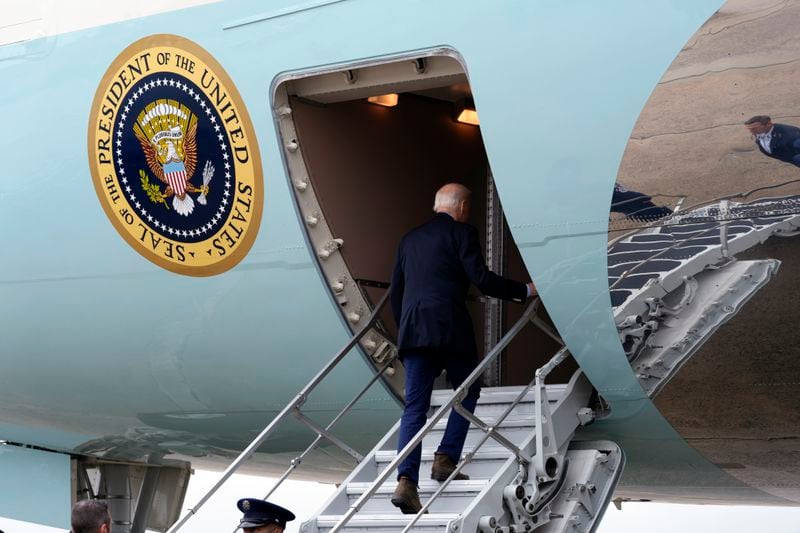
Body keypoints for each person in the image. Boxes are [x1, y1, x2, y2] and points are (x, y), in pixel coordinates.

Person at [389, 183, 535, 514]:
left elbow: (397, 292)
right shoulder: (462, 233)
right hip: (450, 330)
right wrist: (524, 290)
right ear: (464, 208)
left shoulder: (409, 239)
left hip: (414, 333)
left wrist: (408, 330)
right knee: (467, 391)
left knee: (414, 408)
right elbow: (481, 279)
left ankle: (406, 481)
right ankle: (445, 458)